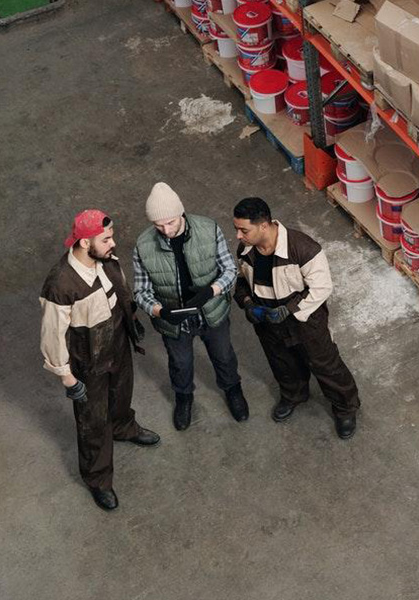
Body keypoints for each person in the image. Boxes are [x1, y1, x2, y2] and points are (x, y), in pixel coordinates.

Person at [40, 209, 160, 511]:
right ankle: (98, 479)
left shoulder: (106, 258)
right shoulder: (61, 284)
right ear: (83, 243)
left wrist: (131, 318)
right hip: (88, 360)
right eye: (106, 238)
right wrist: (67, 378)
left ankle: (123, 428)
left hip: (118, 343)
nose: (113, 242)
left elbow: (119, 290)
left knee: (121, 395)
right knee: (93, 421)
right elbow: (52, 336)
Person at [232, 197, 361, 439]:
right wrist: (248, 304)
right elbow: (241, 282)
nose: (239, 236)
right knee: (282, 361)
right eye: (237, 229)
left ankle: (345, 408)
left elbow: (322, 288)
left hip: (305, 321)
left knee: (325, 364)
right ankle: (294, 395)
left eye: (243, 230)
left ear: (263, 226)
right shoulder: (246, 251)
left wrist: (290, 309)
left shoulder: (303, 249)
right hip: (267, 321)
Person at [132, 182, 248, 431]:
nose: (165, 230)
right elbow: (141, 291)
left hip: (212, 311)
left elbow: (230, 269)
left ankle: (233, 390)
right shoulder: (143, 246)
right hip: (173, 320)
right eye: (158, 225)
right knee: (180, 363)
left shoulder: (208, 229)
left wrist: (211, 290)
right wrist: (159, 311)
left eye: (171, 222)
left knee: (224, 355)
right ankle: (184, 399)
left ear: (181, 213)